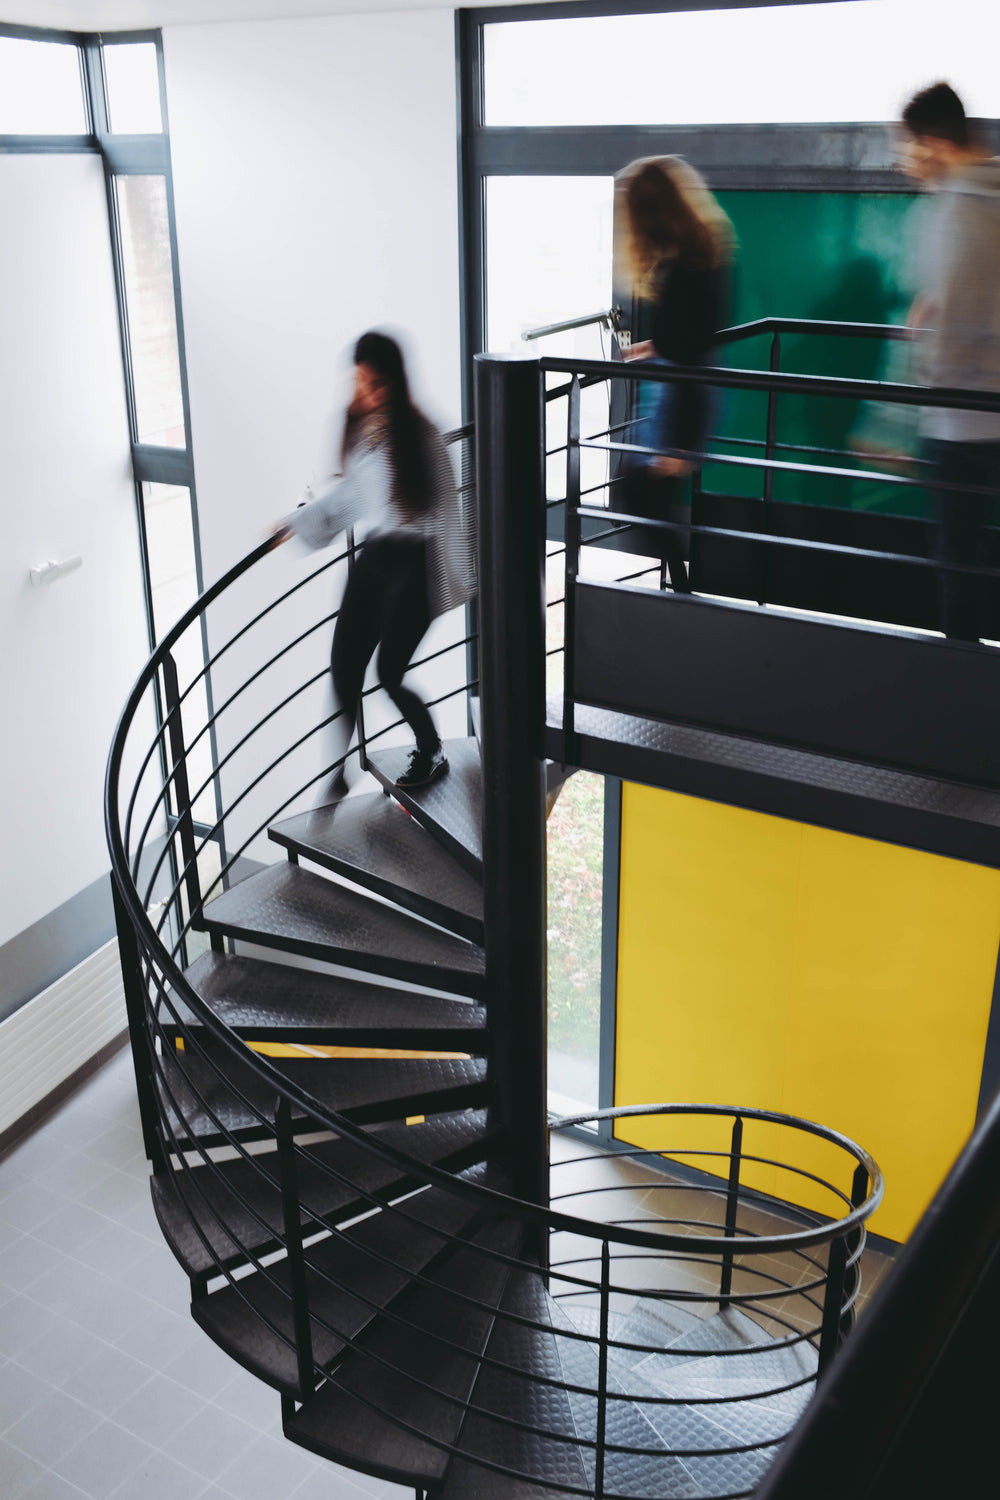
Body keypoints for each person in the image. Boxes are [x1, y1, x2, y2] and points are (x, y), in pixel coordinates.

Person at [273, 331, 473, 795]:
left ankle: (430, 748)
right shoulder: (371, 431)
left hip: (418, 561)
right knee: (344, 665)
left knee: (388, 673)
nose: (364, 393)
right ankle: (335, 776)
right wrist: (298, 522)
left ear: (395, 383)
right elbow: (353, 496)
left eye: (374, 383)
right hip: (379, 555)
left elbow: (438, 514)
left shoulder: (422, 437)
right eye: (360, 382)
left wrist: (453, 582)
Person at [897, 82, 1000, 641]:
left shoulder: (954, 209)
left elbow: (958, 325)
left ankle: (963, 701)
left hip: (960, 421)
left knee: (959, 566)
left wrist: (915, 399)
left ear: (934, 143)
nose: (905, 162)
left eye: (910, 147)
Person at [616, 155, 734, 593]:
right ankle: (679, 591)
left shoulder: (681, 267)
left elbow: (687, 345)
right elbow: (694, 336)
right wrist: (654, 346)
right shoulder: (703, 253)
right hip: (686, 391)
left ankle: (681, 594)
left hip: (679, 397)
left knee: (639, 493)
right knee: (648, 496)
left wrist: (683, 443)